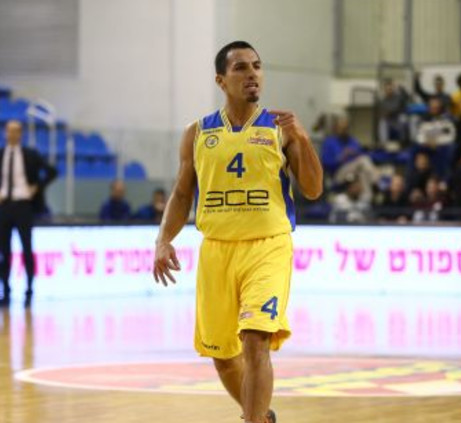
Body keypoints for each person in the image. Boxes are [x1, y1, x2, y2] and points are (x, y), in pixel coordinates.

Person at [152, 41, 323, 423]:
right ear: (221, 80)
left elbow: (313, 189)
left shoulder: (280, 129)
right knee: (223, 357)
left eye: (257, 66)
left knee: (256, 340)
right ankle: (260, 416)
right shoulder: (197, 132)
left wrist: (303, 138)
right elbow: (182, 194)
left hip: (267, 246)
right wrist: (163, 240)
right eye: (241, 68)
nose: (252, 74)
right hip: (217, 249)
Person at [0, 120, 58, 306]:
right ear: (5, 133)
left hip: (24, 205)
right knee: (4, 249)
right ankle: (5, 290)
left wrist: (37, 187)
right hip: (4, 205)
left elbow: (52, 171)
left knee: (26, 248)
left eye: (16, 131)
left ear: (21, 134)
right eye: (9, 131)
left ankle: (29, 289)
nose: (12, 134)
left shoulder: (30, 154)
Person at [415, 98, 456, 178]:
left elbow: (451, 136)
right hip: (427, 145)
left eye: (436, 107)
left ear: (440, 108)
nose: (434, 109)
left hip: (442, 146)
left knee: (447, 150)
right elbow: (420, 136)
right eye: (432, 107)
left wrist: (436, 143)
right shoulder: (424, 120)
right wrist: (426, 142)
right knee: (414, 150)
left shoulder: (447, 119)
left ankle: (444, 178)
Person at [377, 79, 409, 144]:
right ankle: (384, 144)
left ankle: (403, 143)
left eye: (390, 89)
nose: (389, 90)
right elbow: (383, 113)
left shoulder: (398, 97)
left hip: (398, 119)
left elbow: (406, 97)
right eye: (387, 89)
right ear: (385, 90)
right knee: (382, 122)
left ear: (393, 89)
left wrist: (401, 87)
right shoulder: (383, 101)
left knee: (403, 119)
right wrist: (388, 113)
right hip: (389, 121)